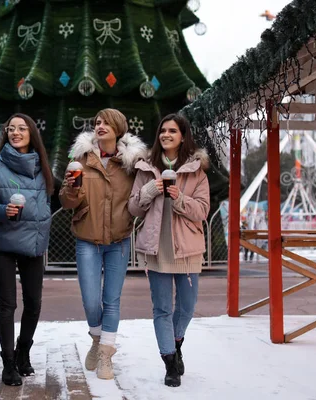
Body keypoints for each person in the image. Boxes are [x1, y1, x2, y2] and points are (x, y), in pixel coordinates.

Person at [59, 108, 147, 380]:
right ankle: (97, 340)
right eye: (97, 122)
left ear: (119, 128)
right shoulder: (80, 160)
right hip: (88, 239)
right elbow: (66, 202)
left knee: (112, 299)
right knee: (90, 300)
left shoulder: (132, 163)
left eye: (106, 122)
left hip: (119, 240)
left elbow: (139, 198)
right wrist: (71, 191)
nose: (100, 126)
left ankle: (106, 354)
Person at [128, 113, 210, 388]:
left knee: (187, 307)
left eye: (172, 131)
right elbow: (134, 208)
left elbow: (202, 211)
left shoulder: (196, 171)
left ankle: (176, 343)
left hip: (188, 250)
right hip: (155, 248)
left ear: (183, 136)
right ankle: (170, 363)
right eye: (163, 130)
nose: (166, 135)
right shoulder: (145, 168)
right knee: (162, 308)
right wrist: (151, 189)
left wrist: (180, 199)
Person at [0, 113, 54, 386]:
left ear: (32, 133)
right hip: (3, 244)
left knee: (34, 303)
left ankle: (23, 352)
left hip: (32, 242)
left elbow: (47, 204)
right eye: (11, 128)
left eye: (22, 128)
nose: (16, 132)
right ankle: (9, 364)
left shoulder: (43, 167)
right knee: (8, 304)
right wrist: (2, 210)